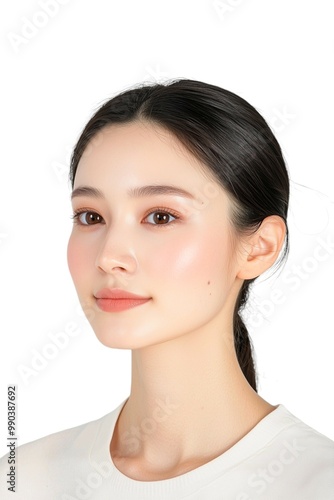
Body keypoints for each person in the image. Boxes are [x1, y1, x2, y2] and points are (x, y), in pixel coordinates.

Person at [1, 79, 333, 499]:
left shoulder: (317, 484)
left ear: (258, 248)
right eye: (90, 216)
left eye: (159, 216)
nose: (109, 256)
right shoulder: (21, 480)